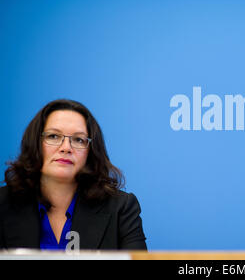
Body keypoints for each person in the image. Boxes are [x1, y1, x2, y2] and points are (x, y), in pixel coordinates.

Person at [0, 99, 147, 250]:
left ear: (91, 151)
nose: (66, 148)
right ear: (35, 144)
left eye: (78, 139)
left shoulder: (121, 208)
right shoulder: (3, 204)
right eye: (53, 136)